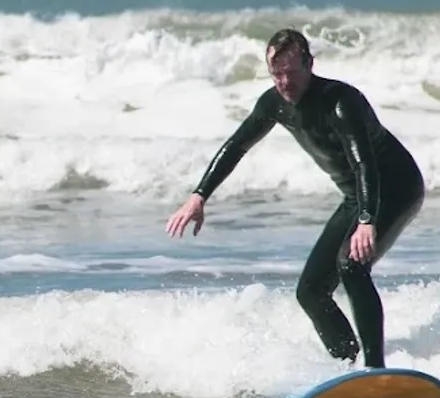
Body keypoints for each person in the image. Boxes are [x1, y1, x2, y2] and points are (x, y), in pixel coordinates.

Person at [166, 28, 426, 370]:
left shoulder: (340, 103)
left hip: (396, 188)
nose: (284, 82)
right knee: (311, 292)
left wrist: (367, 221)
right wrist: (199, 196)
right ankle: (347, 368)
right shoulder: (275, 104)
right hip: (356, 196)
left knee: (351, 264)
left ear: (309, 64)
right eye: (277, 74)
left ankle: (375, 369)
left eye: (291, 72)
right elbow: (236, 146)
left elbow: (364, 164)